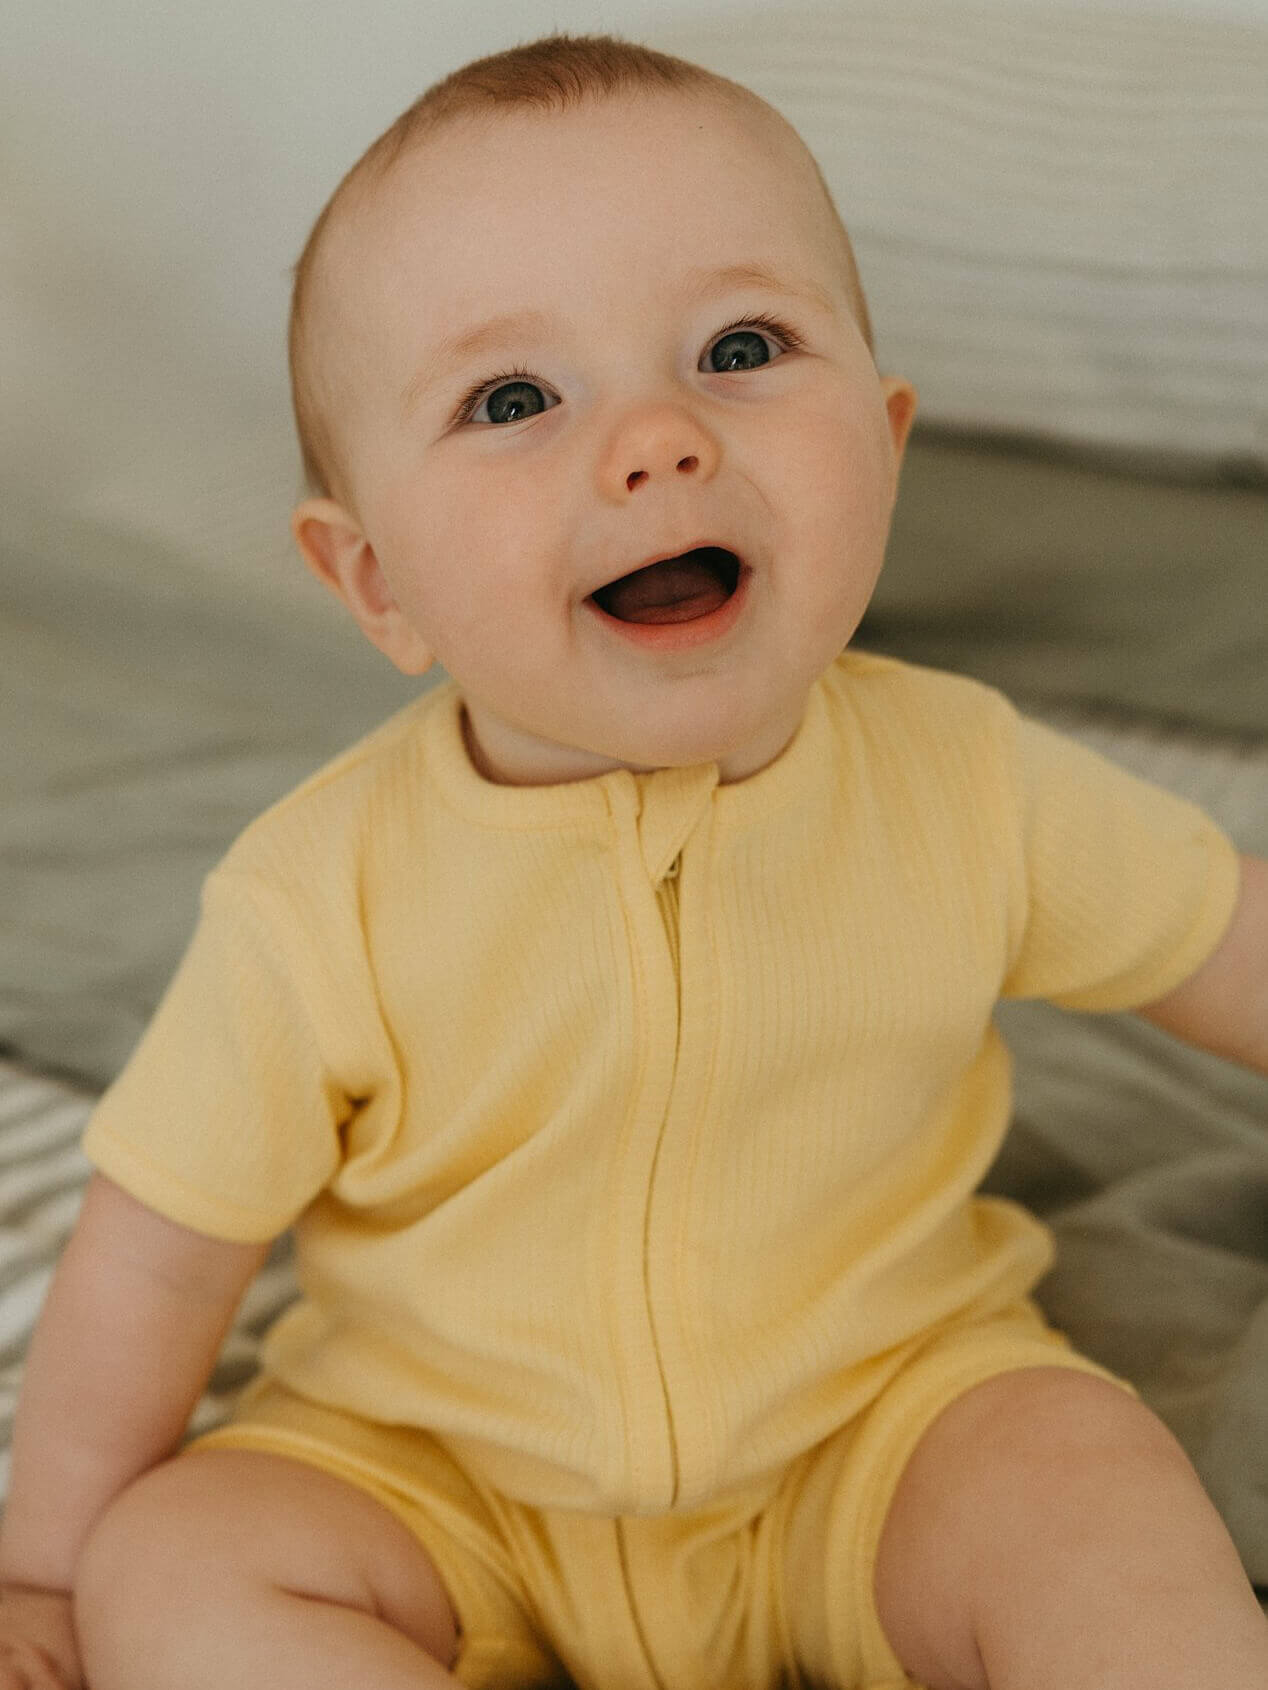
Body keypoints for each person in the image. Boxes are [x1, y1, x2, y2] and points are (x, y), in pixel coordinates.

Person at [2, 31, 1266, 1690]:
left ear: (884, 446)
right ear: (375, 581)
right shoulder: (321, 894)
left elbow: (1224, 932)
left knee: (1091, 1488)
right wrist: (42, 1570)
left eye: (741, 346)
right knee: (174, 1564)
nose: (658, 438)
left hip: (880, 1437)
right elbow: (161, 1249)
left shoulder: (968, 781)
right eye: (514, 398)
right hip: (432, 1482)